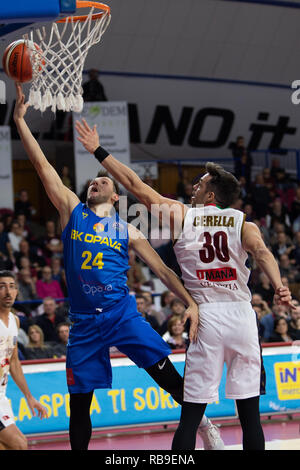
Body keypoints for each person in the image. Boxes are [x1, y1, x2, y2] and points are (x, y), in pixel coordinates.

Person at [13, 84, 221, 451]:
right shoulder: (71, 211)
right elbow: (41, 165)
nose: (96, 182)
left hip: (121, 314)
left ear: (115, 197)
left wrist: (190, 301)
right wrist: (19, 121)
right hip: (83, 322)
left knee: (166, 374)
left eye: (103, 181)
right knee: (80, 404)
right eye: (93, 181)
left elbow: (163, 272)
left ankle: (203, 424)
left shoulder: (127, 229)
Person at [74, 118, 295, 450]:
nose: (194, 186)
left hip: (205, 318)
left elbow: (134, 184)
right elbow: (262, 253)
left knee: (190, 416)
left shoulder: (183, 215)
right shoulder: (243, 223)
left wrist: (98, 151)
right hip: (241, 316)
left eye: (200, 183)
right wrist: (280, 285)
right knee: (250, 414)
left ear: (211, 193)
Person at [0, 270, 47, 450]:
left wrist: (29, 397)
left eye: (12, 287)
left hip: (2, 396)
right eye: (2, 287)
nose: (7, 291)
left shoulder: (15, 321)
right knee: (19, 444)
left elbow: (13, 363)